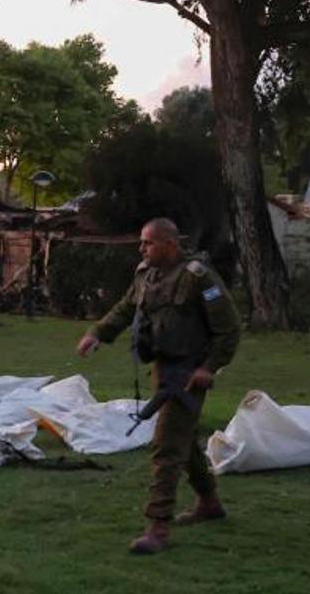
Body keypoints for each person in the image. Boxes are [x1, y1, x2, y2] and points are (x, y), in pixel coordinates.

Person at [75, 217, 240, 555]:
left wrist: (209, 368)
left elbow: (229, 329)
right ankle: (209, 502)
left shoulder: (198, 277)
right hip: (163, 368)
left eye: (148, 243)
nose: (142, 248)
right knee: (183, 441)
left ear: (170, 244)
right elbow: (124, 309)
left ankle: (157, 527)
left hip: (191, 372)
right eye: (142, 243)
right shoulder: (145, 275)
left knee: (166, 445)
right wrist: (97, 334)